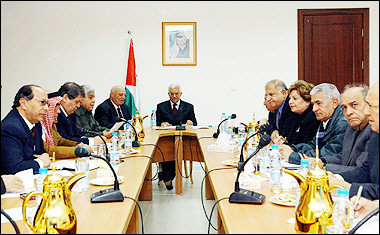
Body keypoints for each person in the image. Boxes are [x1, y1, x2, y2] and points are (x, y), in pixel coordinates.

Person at [311, 84, 374, 174]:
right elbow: (344, 158)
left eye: (354, 105)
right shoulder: (351, 129)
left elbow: (362, 172)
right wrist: (320, 161)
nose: (348, 112)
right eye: (344, 107)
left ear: (368, 105)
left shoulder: (374, 131)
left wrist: (325, 167)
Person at [279, 83, 349, 164]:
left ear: (334, 103)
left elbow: (328, 153)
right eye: (313, 104)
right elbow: (313, 145)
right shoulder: (326, 118)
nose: (314, 109)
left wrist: (293, 156)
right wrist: (291, 148)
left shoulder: (342, 123)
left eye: (319, 103)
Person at [331, 82, 379, 200]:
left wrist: (347, 188)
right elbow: (365, 172)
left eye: (371, 106)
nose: (367, 112)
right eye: (344, 108)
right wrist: (336, 178)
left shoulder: (371, 131)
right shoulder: (376, 134)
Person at [1, 85, 51, 174]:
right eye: (42, 102)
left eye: (47, 104)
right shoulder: (10, 128)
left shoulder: (36, 123)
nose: (46, 108)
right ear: (23, 103)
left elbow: (39, 153)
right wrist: (40, 162)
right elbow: (14, 168)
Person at [156, 83, 197, 190]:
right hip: (166, 138)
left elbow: (194, 122)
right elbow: (157, 123)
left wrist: (190, 122)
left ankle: (167, 176)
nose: (174, 96)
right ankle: (167, 177)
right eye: (172, 94)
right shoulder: (161, 106)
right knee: (166, 151)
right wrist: (162, 124)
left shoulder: (188, 107)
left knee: (175, 150)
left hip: (183, 139)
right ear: (168, 94)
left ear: (181, 94)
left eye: (176, 94)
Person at [41, 92, 92, 159]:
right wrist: (76, 151)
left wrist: (77, 145)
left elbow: (60, 140)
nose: (59, 112)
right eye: (56, 108)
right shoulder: (40, 125)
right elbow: (48, 150)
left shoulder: (51, 125)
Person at [272, 80, 320, 145]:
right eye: (290, 98)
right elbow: (288, 138)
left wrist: (285, 144)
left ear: (307, 101)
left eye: (295, 98)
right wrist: (284, 140)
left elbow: (305, 145)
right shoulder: (294, 115)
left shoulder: (313, 118)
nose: (290, 102)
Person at [55, 82, 103, 146]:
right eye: (77, 102)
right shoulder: (56, 115)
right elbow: (64, 140)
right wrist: (90, 141)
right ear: (65, 98)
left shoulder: (71, 114)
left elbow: (76, 134)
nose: (78, 106)